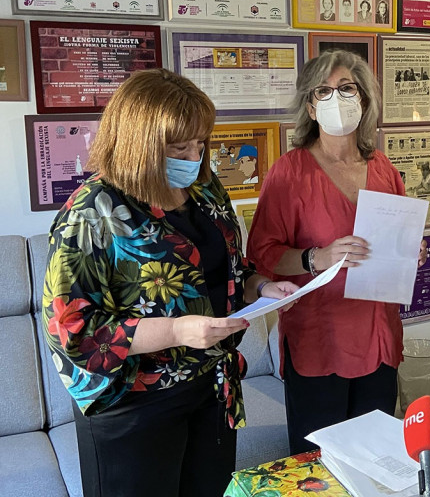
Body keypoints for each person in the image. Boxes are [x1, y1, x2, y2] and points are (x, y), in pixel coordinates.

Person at [42, 69, 297, 497]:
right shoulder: (92, 212)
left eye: (200, 144)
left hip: (212, 387)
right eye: (179, 147)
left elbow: (228, 267)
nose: (193, 157)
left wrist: (260, 287)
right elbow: (72, 333)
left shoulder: (205, 187)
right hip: (135, 404)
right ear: (139, 143)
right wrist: (179, 330)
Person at [247, 50, 405, 454]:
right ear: (311, 106)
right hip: (319, 340)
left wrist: (409, 250)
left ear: (364, 99)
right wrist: (316, 258)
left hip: (378, 335)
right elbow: (262, 255)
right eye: (324, 91)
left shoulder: (384, 168)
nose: (337, 98)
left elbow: (397, 236)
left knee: (378, 459)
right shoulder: (290, 172)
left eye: (347, 88)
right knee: (318, 466)